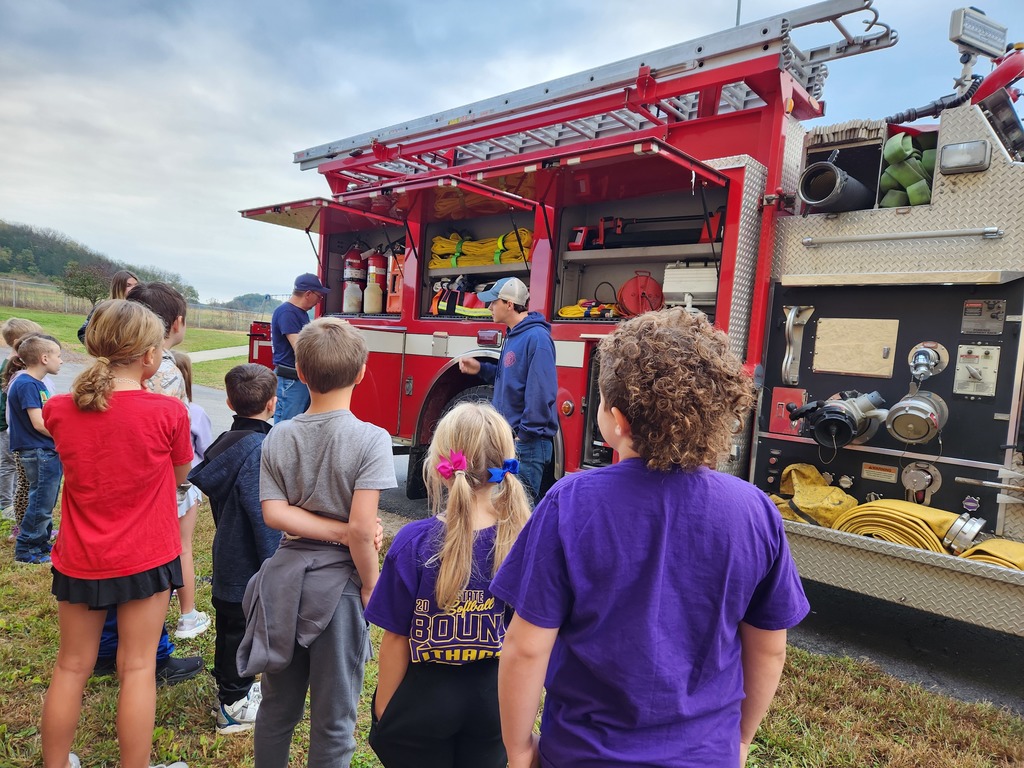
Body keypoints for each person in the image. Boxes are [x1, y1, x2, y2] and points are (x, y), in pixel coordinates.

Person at [491, 308, 811, 768]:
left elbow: (526, 647)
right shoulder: (753, 511)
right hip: (706, 755)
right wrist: (738, 741)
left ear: (617, 419)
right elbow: (769, 645)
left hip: (585, 754)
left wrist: (520, 749)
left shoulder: (571, 503)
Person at [40, 299, 193, 768]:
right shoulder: (168, 413)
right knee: (138, 667)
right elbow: (180, 474)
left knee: (70, 666)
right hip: (147, 554)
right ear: (150, 356)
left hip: (80, 556)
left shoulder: (60, 409)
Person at [239, 317, 396, 768]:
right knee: (334, 719)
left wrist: (344, 530)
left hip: (283, 583)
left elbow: (274, 513)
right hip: (340, 591)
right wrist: (370, 583)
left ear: (301, 373)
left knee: (276, 710)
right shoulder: (371, 439)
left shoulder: (279, 435)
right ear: (362, 370)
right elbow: (363, 530)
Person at [365, 401, 531, 768]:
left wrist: (384, 714)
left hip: (421, 701)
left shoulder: (414, 542)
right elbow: (530, 639)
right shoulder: (525, 541)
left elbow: (396, 639)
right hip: (494, 701)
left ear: (441, 468)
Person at [91, 281, 203, 685]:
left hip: (99, 514)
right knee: (147, 583)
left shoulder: (79, 393)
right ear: (173, 324)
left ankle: (106, 648)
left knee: (105, 584)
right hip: (149, 502)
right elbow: (177, 459)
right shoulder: (167, 375)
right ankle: (156, 655)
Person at [188, 363, 280, 734]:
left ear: (228, 401)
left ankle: (233, 690)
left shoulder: (227, 443)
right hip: (249, 565)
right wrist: (276, 564)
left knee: (232, 630)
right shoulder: (257, 451)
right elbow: (264, 519)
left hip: (229, 557)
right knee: (240, 634)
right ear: (273, 404)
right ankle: (232, 704)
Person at [458, 276, 557, 501]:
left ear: (509, 304)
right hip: (512, 440)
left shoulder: (537, 338)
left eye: (494, 302)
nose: (489, 307)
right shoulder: (514, 335)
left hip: (527, 446)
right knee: (506, 509)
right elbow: (512, 380)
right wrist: (481, 368)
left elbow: (541, 392)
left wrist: (524, 435)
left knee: (520, 512)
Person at [7, 333, 63, 564]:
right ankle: (27, 550)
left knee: (45, 501)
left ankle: (40, 544)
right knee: (40, 502)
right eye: (58, 356)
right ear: (44, 358)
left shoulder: (34, 383)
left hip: (44, 451)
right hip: (38, 452)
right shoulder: (27, 384)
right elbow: (39, 423)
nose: (61, 360)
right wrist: (65, 437)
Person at [170, 351, 213, 639]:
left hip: (155, 486)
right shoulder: (194, 412)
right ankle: (187, 616)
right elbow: (207, 452)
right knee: (182, 547)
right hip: (184, 487)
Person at [0, 318, 44, 533]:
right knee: (18, 475)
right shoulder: (23, 379)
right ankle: (11, 511)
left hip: (19, 434)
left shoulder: (26, 376)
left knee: (23, 480)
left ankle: (22, 520)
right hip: (15, 433)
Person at [270, 272, 330, 422]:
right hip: (290, 380)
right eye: (319, 295)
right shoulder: (287, 312)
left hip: (297, 378)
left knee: (296, 424)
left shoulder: (300, 313)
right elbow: (300, 348)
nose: (319, 300)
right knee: (286, 424)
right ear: (308, 293)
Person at [77, 269, 139, 343]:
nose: (134, 288)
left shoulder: (140, 309)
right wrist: (101, 349)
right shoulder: (104, 307)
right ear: (118, 287)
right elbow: (83, 332)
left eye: (136, 285)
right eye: (128, 285)